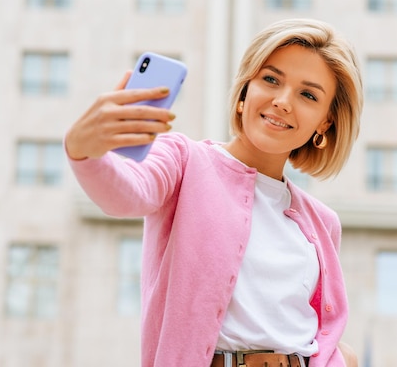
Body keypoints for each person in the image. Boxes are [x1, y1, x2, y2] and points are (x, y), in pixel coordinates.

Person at [65, 18, 363, 367]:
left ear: (325, 122)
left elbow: (318, 332)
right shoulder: (183, 160)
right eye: (270, 79)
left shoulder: (323, 223)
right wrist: (84, 149)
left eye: (308, 94)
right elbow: (126, 193)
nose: (283, 101)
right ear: (244, 93)